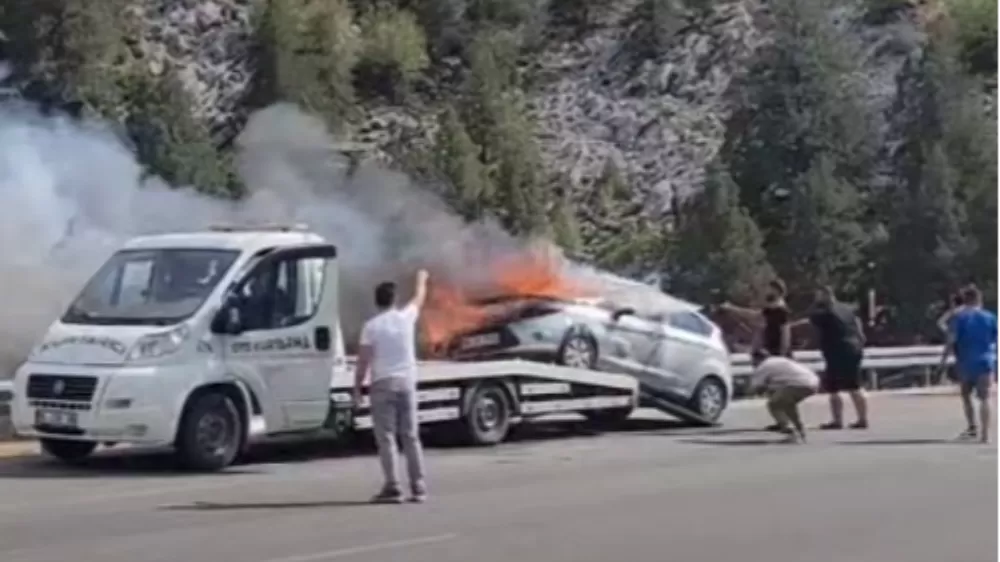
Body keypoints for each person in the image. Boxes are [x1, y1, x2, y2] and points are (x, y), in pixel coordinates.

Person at [353, 270, 430, 503]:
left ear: (376, 302)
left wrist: (357, 387)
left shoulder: (371, 327)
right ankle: (418, 486)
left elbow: (363, 360)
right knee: (410, 436)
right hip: (406, 383)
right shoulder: (406, 318)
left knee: (386, 437)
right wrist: (422, 279)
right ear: (394, 300)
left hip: (382, 384)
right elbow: (419, 297)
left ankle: (393, 486)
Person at [796, 286, 869, 430]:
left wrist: (814, 304)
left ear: (824, 296)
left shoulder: (825, 312)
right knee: (855, 385)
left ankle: (837, 420)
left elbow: (809, 318)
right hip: (854, 349)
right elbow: (858, 324)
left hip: (836, 351)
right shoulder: (847, 309)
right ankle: (862, 419)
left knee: (834, 388)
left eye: (818, 295)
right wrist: (860, 340)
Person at [949, 285, 997, 443]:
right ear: (979, 299)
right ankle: (985, 434)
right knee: (985, 397)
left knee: (966, 395)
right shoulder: (989, 317)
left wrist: (945, 359)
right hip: (985, 360)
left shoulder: (960, 317)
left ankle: (972, 427)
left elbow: (952, 340)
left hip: (965, 362)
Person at [749, 350, 820, 444]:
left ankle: (789, 432)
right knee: (788, 405)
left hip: (797, 384)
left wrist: (763, 389)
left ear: (756, 359)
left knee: (774, 404)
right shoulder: (779, 360)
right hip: (813, 382)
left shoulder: (763, 366)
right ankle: (800, 430)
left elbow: (756, 389)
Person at [721, 280, 793, 358]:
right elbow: (754, 316)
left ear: (776, 291)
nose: (767, 292)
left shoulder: (780, 310)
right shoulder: (771, 309)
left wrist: (782, 353)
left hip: (779, 353)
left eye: (769, 289)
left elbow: (785, 332)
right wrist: (732, 308)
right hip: (773, 351)